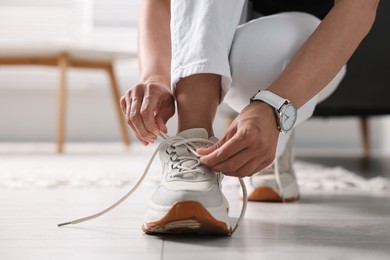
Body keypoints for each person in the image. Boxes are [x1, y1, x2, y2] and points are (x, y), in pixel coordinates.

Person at [120, 0, 379, 235]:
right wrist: (154, 76)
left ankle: (274, 134)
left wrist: (274, 107)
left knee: (277, 45)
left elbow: (359, 7)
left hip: (312, 45)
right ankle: (194, 143)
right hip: (218, 45)